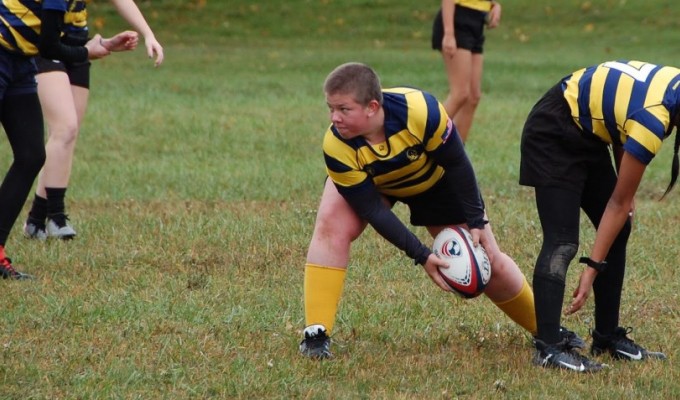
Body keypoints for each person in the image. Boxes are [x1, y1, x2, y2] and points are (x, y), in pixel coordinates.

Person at [299, 62, 582, 359]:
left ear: (372, 106)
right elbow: (372, 209)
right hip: (375, 185)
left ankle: (547, 330)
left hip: (432, 181)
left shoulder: (420, 110)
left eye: (343, 109)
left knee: (488, 256)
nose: (334, 118)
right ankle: (315, 334)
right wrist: (422, 255)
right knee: (331, 225)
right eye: (330, 108)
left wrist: (476, 220)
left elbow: (458, 163)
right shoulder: (336, 144)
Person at [520, 60, 673, 373]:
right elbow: (617, 204)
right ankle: (548, 348)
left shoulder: (674, 85)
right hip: (553, 129)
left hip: (588, 133)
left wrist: (623, 187)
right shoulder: (654, 120)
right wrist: (591, 269)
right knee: (562, 242)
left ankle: (606, 338)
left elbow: (622, 118)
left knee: (621, 229)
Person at [23, 0, 164, 240]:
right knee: (64, 129)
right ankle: (56, 216)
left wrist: (148, 34)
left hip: (78, 43)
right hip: (43, 44)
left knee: (69, 135)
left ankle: (36, 219)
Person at [0, 0, 117, 278]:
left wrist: (95, 46)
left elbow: (52, 37)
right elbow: (50, 47)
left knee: (31, 156)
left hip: (21, 62)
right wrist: (88, 51)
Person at [431, 0, 501, 143]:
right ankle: (420, 139)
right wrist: (449, 33)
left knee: (473, 97)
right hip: (457, 21)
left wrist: (494, 5)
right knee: (460, 93)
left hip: (477, 22)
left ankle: (455, 157)